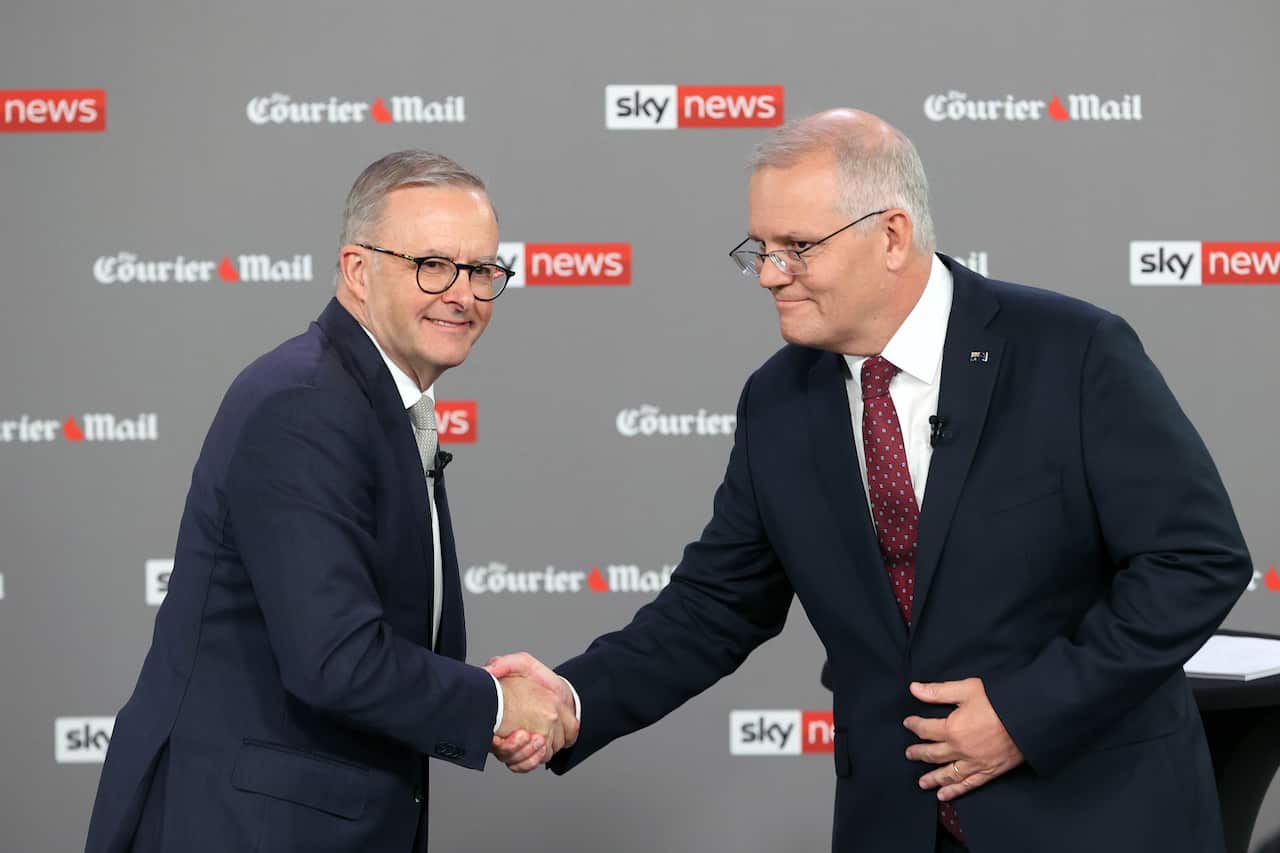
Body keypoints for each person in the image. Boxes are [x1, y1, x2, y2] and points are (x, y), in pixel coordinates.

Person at [489, 110, 1253, 853]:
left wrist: (1026, 712)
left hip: (1094, 813)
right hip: (894, 820)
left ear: (891, 234)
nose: (767, 274)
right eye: (758, 247)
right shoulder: (778, 401)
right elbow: (715, 604)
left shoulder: (1072, 352)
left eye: (796, 246)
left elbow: (1196, 560)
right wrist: (572, 699)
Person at [85, 150, 576, 853]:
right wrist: (497, 705)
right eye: (432, 265)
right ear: (357, 269)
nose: (462, 293)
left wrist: (480, 696)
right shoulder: (306, 405)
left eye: (482, 270)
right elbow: (337, 659)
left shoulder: (370, 397)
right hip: (242, 828)